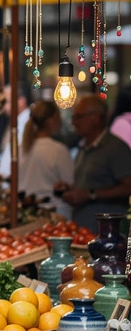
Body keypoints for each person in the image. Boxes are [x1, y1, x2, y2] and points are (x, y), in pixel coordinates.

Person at [55, 94, 131, 232]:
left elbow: (128, 186)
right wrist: (70, 189)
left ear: (95, 118)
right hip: (83, 231)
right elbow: (90, 183)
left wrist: (90, 194)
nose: (73, 123)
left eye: (78, 117)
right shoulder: (83, 147)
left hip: (107, 235)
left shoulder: (115, 148)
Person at [19, 100, 74, 218]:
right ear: (51, 120)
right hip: (55, 216)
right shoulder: (58, 150)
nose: (61, 121)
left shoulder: (21, 149)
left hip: (27, 214)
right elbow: (70, 184)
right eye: (59, 117)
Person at [0, 82, 30, 180]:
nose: (4, 108)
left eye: (7, 102)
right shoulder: (17, 121)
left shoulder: (26, 123)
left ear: (21, 101)